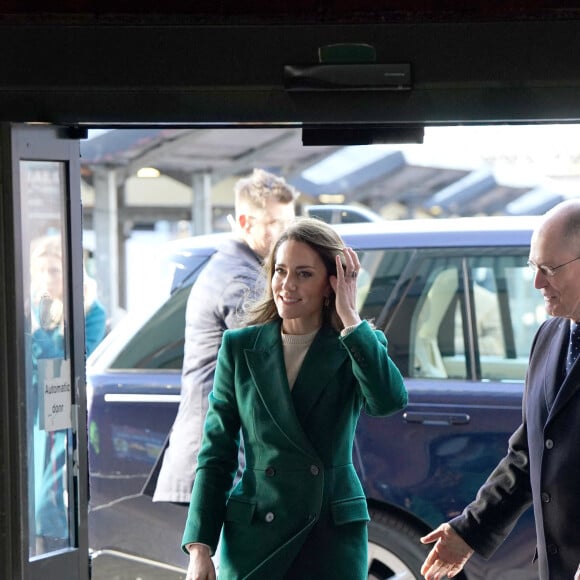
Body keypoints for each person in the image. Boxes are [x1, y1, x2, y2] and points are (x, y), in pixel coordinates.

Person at [182, 217, 408, 580]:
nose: (287, 285)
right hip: (255, 535)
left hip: (328, 536)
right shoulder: (240, 348)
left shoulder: (356, 344)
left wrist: (350, 317)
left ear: (331, 283)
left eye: (303, 274)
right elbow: (216, 452)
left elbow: (388, 401)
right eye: (280, 271)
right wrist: (200, 547)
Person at [420, 198, 580, 580]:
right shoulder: (550, 335)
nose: (537, 282)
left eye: (548, 268)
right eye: (533, 267)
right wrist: (470, 530)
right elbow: (531, 451)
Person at [151, 168, 299, 503]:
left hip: (216, 455)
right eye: (276, 224)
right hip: (219, 460)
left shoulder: (238, 267)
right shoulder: (241, 280)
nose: (288, 234)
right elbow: (270, 364)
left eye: (291, 223)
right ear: (246, 223)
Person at [29, 234, 106, 553]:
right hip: (32, 409)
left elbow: (73, 361)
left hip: (63, 406)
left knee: (52, 496)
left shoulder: (90, 309)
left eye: (56, 270)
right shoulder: (31, 306)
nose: (48, 278)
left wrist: (42, 334)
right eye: (42, 270)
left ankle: (55, 554)